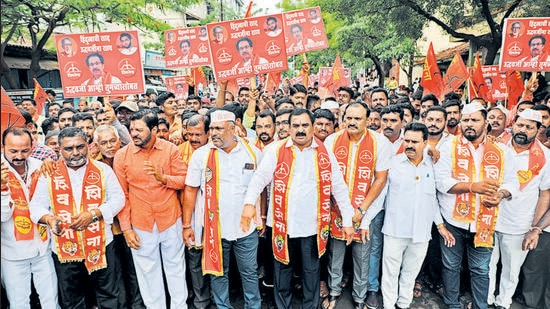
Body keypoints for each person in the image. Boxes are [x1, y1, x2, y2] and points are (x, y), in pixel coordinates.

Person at [243, 108, 355, 309]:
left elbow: (339, 187)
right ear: (288, 128)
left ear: (312, 127)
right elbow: (259, 179)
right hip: (280, 224)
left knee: (311, 273)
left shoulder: (324, 152)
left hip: (311, 227)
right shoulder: (276, 150)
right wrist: (249, 204)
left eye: (305, 125)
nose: (300, 130)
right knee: (282, 272)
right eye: (296, 126)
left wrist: (347, 220)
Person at [434, 102, 518, 309]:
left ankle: (480, 306)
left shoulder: (501, 150)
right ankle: (452, 304)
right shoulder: (447, 147)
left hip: (484, 221)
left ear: (486, 123)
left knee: (481, 269)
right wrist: (473, 186)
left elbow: (512, 182)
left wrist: (500, 194)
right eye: (465, 120)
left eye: (474, 120)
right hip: (452, 221)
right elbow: (442, 183)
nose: (469, 124)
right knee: (451, 266)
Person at [29, 127, 125, 308]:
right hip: (65, 248)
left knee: (108, 296)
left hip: (102, 245)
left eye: (80, 147)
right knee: (72, 300)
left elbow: (119, 199)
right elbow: (35, 206)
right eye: (68, 148)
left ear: (88, 145)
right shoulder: (49, 173)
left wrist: (94, 214)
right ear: (59, 149)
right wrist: (49, 219)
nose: (75, 153)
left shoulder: (102, 170)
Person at [183, 110, 262, 309]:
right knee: (218, 272)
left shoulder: (252, 152)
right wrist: (186, 225)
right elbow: (190, 190)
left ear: (233, 129)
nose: (214, 133)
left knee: (249, 273)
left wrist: (261, 215)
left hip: (246, 228)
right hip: (213, 229)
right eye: (211, 129)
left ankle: (253, 306)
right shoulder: (201, 156)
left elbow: (260, 188)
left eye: (219, 128)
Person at [113, 110, 188, 309]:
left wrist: (164, 179)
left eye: (139, 129)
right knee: (148, 273)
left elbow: (184, 180)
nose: (134, 133)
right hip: (141, 224)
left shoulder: (170, 150)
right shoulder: (122, 156)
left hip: (170, 220)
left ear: (154, 129)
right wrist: (127, 229)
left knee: (176, 269)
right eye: (131, 129)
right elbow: (122, 196)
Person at [323, 102, 392, 309]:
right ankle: (334, 291)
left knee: (362, 257)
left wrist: (362, 212)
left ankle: (359, 297)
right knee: (335, 254)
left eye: (357, 118)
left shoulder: (380, 143)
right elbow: (327, 177)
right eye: (348, 118)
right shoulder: (332, 140)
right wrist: (344, 211)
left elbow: (380, 180)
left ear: (368, 120)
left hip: (366, 211)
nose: (352, 122)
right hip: (336, 209)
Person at [381, 122, 455, 309]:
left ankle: (403, 304)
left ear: (425, 143)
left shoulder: (433, 165)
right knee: (390, 272)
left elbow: (432, 200)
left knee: (410, 273)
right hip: (395, 229)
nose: (410, 145)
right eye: (407, 140)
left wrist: (440, 226)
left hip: (421, 232)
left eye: (415, 141)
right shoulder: (393, 163)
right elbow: (379, 195)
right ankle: (389, 305)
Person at [488, 109, 550, 309]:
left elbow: (545, 194)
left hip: (519, 222)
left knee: (511, 270)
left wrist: (534, 229)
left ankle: (503, 303)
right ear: (513, 125)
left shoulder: (546, 157)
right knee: (485, 266)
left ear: (539, 129)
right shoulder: (497, 146)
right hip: (489, 216)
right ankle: (485, 300)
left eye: (529, 127)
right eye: (520, 125)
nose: (522, 130)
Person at [1, 127, 59, 309]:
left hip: (42, 247)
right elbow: (2, 216)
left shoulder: (39, 166)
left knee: (51, 301)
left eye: (25, 150)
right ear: (2, 147)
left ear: (32, 146)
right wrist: (2, 189)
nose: (19, 156)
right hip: (12, 252)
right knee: (19, 303)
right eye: (13, 151)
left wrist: (51, 161)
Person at [94, 125, 146, 309]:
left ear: (119, 141)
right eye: (104, 142)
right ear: (97, 145)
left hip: (133, 223)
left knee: (134, 269)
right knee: (115, 272)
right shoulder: (94, 166)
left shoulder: (130, 158)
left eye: (112, 141)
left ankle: (138, 305)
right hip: (108, 228)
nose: (109, 146)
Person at [177, 114, 212, 309]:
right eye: (189, 134)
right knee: (194, 260)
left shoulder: (214, 152)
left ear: (208, 133)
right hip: (189, 214)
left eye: (198, 134)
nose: (193, 139)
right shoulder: (178, 151)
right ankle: (201, 300)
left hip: (213, 215)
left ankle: (218, 297)